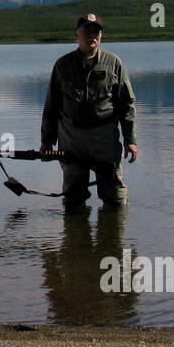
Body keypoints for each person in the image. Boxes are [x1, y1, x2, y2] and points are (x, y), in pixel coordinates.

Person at [40, 12, 138, 209]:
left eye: (96, 32)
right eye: (86, 31)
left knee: (115, 199)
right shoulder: (62, 65)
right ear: (77, 35)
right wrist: (47, 141)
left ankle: (112, 237)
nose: (91, 36)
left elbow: (126, 104)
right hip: (71, 138)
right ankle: (76, 235)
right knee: (73, 199)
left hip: (105, 138)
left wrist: (130, 140)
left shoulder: (114, 63)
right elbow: (52, 106)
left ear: (101, 36)